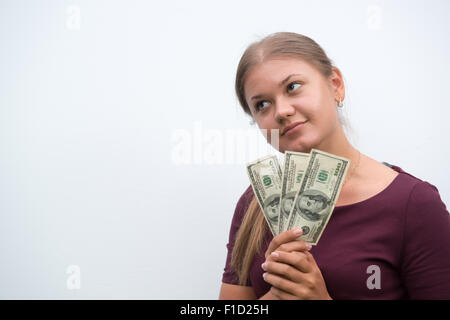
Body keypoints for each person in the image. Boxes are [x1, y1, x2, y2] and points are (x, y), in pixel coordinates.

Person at [219, 32, 450, 300]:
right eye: (262, 104)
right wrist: (277, 295)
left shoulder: (414, 204)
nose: (281, 110)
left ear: (335, 85)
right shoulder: (255, 205)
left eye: (293, 87)